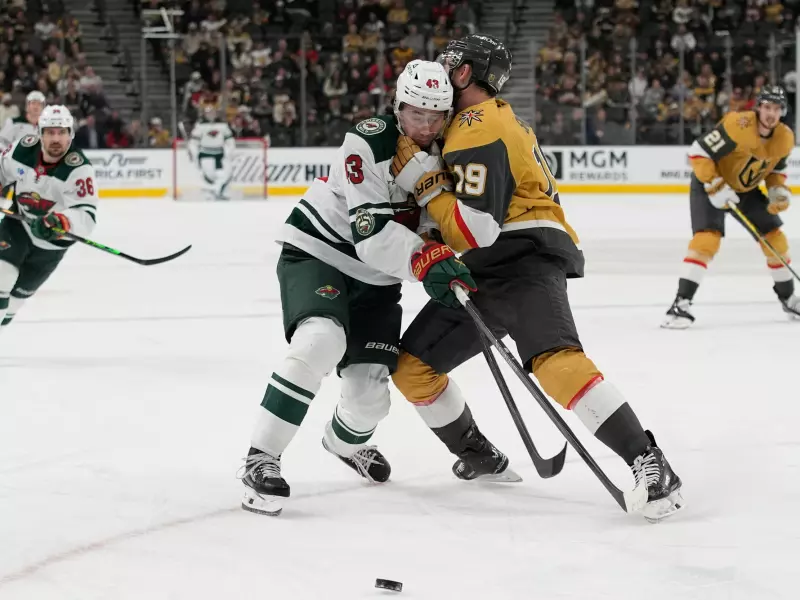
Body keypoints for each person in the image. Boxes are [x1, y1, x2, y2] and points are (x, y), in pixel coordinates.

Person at [389, 34, 684, 522]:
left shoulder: (477, 126)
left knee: (556, 363)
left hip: (522, 258)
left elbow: (473, 230)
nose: (442, 70)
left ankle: (648, 461)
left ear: (465, 74)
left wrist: (427, 188)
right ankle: (477, 453)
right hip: (488, 265)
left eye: (450, 64)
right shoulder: (482, 120)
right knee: (412, 367)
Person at [239, 60, 478, 516]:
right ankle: (260, 459)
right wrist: (424, 259)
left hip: (378, 279)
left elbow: (436, 222)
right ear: (398, 107)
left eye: (436, 116)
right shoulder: (368, 140)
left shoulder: (449, 152)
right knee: (321, 339)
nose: (426, 127)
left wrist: (440, 252)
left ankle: (342, 444)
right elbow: (371, 237)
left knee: (370, 398)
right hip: (321, 252)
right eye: (416, 114)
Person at [662, 84, 798, 328]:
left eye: (777, 109)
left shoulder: (785, 137)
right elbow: (698, 152)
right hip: (710, 183)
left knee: (775, 239)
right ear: (758, 108)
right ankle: (680, 304)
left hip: (745, 189)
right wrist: (714, 184)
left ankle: (789, 299)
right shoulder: (738, 124)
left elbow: (775, 171)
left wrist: (777, 191)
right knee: (707, 240)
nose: (771, 114)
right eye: (767, 107)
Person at [0, 105, 98, 334]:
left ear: (70, 134)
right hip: (17, 226)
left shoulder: (79, 170)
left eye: (61, 132)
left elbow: (86, 215)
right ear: (39, 133)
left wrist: (61, 222)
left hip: (51, 246)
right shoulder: (22, 150)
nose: (56, 139)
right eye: (50, 132)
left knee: (12, 306)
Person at [187, 107, 236, 200]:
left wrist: (230, 151)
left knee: (226, 174)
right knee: (210, 176)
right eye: (208, 113)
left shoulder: (222, 125)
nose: (210, 114)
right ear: (205, 114)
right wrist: (194, 155)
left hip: (220, 154)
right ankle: (214, 191)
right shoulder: (200, 126)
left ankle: (217, 191)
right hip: (205, 154)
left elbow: (230, 140)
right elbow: (193, 143)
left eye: (212, 112)